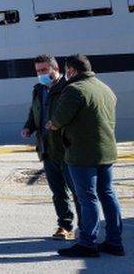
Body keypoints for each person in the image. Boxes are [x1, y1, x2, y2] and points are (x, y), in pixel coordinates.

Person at [46, 55, 124, 257]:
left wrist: (51, 124)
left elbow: (59, 120)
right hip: (106, 151)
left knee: (87, 197)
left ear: (71, 71)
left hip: (82, 153)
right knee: (108, 194)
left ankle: (88, 243)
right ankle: (115, 242)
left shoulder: (74, 90)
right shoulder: (104, 88)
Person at [21, 55, 76, 240]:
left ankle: (85, 228)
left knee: (77, 192)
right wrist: (29, 126)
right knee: (58, 192)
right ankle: (64, 226)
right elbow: (34, 110)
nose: (41, 74)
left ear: (55, 68)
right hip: (46, 148)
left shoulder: (68, 88)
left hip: (67, 149)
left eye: (44, 70)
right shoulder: (39, 89)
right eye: (38, 71)